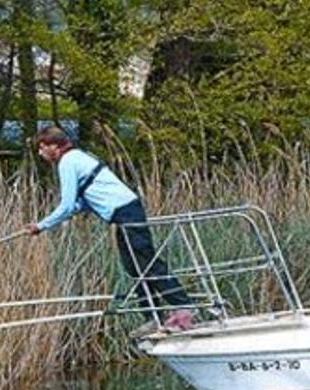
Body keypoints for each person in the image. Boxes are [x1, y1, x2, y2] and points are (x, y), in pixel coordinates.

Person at [28, 126, 194, 331]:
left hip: (126, 212)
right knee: (134, 266)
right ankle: (154, 316)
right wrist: (57, 218)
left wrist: (41, 226)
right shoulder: (78, 157)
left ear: (55, 146)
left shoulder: (68, 162)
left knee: (146, 262)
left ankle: (183, 307)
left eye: (42, 148)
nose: (40, 153)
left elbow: (67, 205)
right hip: (123, 213)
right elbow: (83, 202)